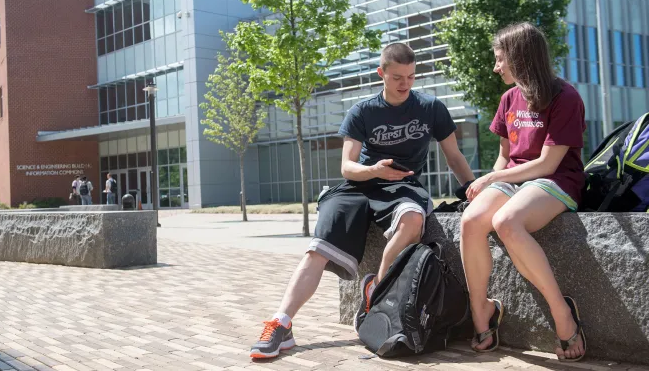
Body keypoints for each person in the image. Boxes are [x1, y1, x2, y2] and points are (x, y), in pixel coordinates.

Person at [249, 43, 476, 359]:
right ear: (381, 73)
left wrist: (472, 189)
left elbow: (453, 156)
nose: (405, 84)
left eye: (411, 77)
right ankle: (281, 323)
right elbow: (347, 166)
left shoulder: (431, 108)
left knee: (413, 220)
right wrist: (374, 170)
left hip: (403, 187)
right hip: (359, 186)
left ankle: (375, 291)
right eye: (397, 77)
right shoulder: (363, 111)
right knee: (318, 249)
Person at [459, 22, 587, 362]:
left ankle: (561, 311)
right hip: (516, 178)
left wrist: (489, 179)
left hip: (556, 179)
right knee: (471, 220)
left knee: (507, 221)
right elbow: (505, 155)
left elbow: (548, 163)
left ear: (520, 57)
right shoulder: (508, 98)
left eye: (500, 59)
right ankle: (481, 308)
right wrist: (494, 180)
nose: (496, 66)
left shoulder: (565, 97)